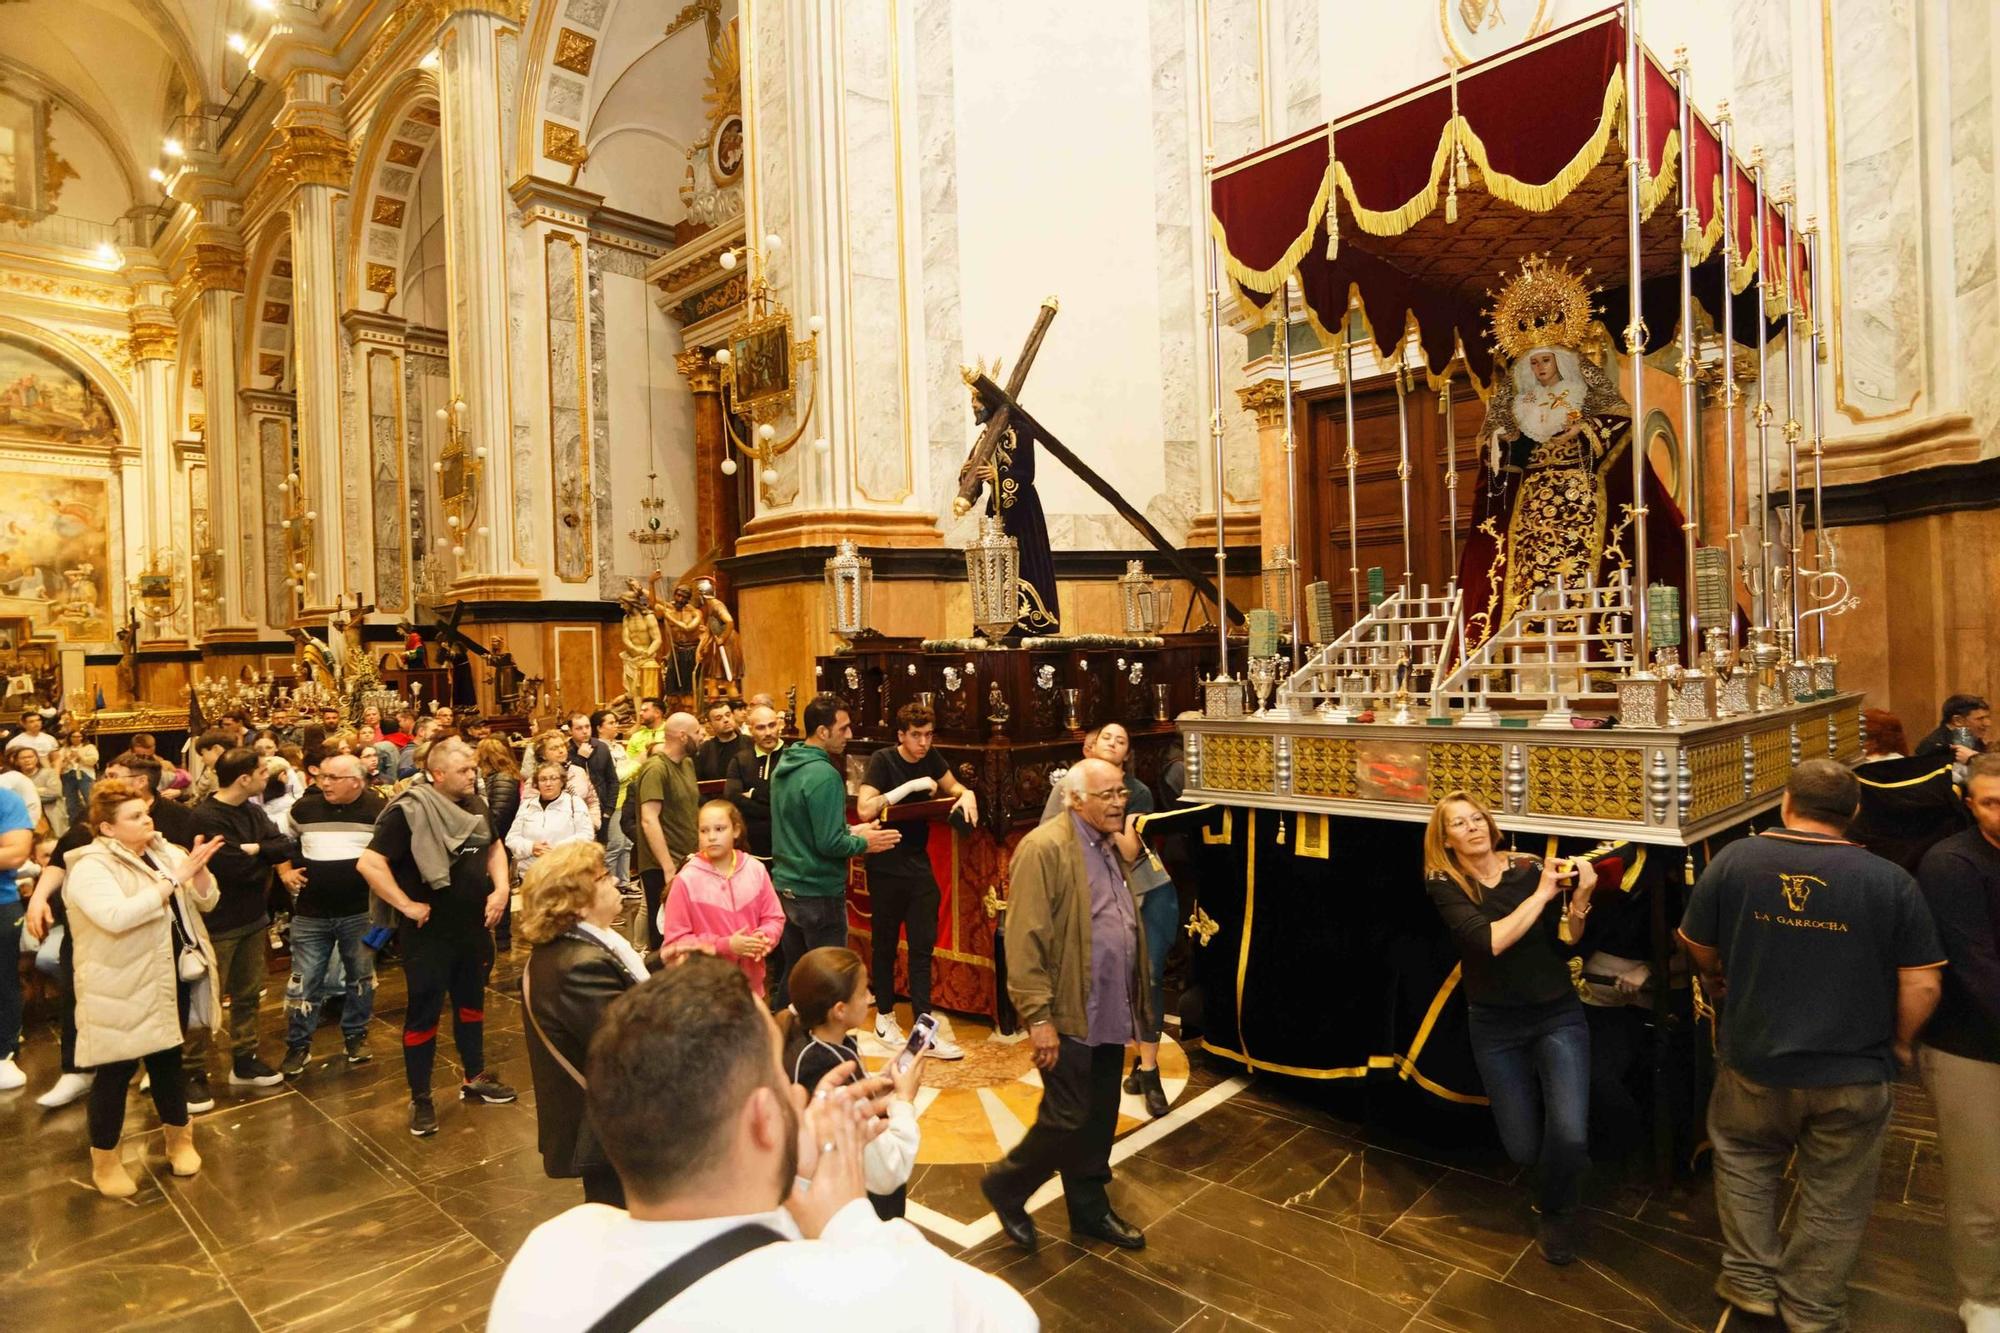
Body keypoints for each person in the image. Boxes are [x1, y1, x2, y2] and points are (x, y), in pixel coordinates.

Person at [489, 958, 1034, 1332]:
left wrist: (789, 1183)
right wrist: (846, 1216)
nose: (797, 1091)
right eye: (779, 1078)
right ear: (764, 1120)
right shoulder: (848, 1293)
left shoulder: (551, 1252)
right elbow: (1011, 1319)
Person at [1679, 759, 1946, 1329]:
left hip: (1754, 1057)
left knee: (1746, 1164)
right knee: (1836, 1195)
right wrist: (1900, 1044)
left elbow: (1694, 942)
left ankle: (1751, 1280)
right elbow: (1923, 981)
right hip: (1852, 1069)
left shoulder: (1736, 860)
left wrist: (1715, 973)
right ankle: (1811, 1306)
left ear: (1785, 803)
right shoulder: (1889, 880)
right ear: (1853, 813)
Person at [1423, 790, 1608, 1265]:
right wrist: (1545, 894)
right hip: (1495, 1024)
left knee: (1569, 1136)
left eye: (1478, 818)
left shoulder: (1528, 866)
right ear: (1445, 838)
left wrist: (1581, 898)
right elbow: (1491, 941)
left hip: (1557, 1014)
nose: (1474, 827)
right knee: (1523, 1146)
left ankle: (1556, 1208)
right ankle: (1560, 1171)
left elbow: (1568, 940)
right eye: (1460, 824)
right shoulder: (1445, 882)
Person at [982, 757, 1152, 1254]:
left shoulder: (1106, 843)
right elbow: (1025, 938)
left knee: (1100, 1112)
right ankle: (1007, 1186)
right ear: (1076, 799)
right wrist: (1038, 1018)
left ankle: (1089, 1209)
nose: (1120, 802)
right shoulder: (1043, 848)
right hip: (1068, 1010)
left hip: (1109, 1006)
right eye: (1109, 795)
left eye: (1122, 792)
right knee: (1068, 1114)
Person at [64, 780, 226, 1197]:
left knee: (169, 1063)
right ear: (107, 829)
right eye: (135, 816)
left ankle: (180, 1141)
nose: (148, 820)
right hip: (118, 983)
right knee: (115, 1071)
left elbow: (206, 902)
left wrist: (199, 870)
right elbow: (116, 916)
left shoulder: (165, 852)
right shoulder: (90, 866)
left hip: (169, 975)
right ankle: (106, 1160)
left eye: (146, 811)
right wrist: (175, 879)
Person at [357, 737, 518, 1137]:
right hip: (428, 935)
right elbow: (370, 864)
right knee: (425, 1012)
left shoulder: (477, 804)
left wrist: (500, 890)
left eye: (474, 769)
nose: (474, 775)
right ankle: (421, 1097)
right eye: (465, 770)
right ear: (438, 773)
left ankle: (474, 1076)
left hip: (473, 927)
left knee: (472, 1004)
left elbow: (495, 848)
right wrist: (407, 905)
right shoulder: (409, 811)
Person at [21, 752, 192, 1109]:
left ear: (140, 781)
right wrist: (39, 897)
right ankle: (78, 1070)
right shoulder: (98, 821)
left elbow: (190, 874)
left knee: (165, 1020)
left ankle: (156, 1072)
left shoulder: (174, 820)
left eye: (115, 773)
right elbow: (63, 857)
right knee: (86, 1003)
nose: (104, 779)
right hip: (100, 937)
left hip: (157, 938)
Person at [1040, 722, 1175, 1112]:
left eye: (1122, 740)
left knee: (1147, 980)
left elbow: (1131, 851)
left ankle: (1149, 1071)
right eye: (1107, 738)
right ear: (1089, 746)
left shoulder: (1138, 792)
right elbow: (1049, 838)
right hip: (1095, 899)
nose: (1114, 744)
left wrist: (1096, 809)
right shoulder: (1065, 787)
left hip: (1146, 893)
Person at [1916, 751, 2000, 1332]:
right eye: (1992, 802)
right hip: (1969, 1045)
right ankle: (1983, 1301)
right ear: (1969, 805)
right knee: (1984, 1189)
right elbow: (1977, 969)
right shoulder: (1952, 864)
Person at [518, 840, 649, 1207]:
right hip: (613, 1130)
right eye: (605, 877)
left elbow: (624, 987)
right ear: (578, 900)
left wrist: (660, 964)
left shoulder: (579, 947)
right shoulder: (577, 965)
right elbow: (633, 1046)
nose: (615, 883)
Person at [856, 703, 974, 1060]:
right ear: (901, 736)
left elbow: (954, 787)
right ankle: (885, 1018)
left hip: (917, 862)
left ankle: (924, 1030)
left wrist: (965, 793)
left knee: (922, 946)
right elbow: (865, 809)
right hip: (885, 861)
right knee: (886, 944)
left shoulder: (932, 757)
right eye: (916, 736)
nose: (923, 743)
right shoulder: (883, 759)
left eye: (928, 735)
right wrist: (907, 787)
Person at [769, 694, 898, 1010]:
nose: (850, 735)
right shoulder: (824, 775)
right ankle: (822, 1049)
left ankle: (778, 1038)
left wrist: (852, 831)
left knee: (796, 973)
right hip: (818, 891)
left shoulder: (785, 765)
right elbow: (829, 844)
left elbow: (803, 829)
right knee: (828, 983)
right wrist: (864, 842)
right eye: (843, 728)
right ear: (823, 732)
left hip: (787, 887)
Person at [775, 946, 922, 1219]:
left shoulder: (809, 1042)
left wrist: (878, 1084)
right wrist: (904, 1100)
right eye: (863, 991)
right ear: (840, 1010)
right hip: (852, 1211)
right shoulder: (827, 1071)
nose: (870, 997)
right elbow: (889, 1171)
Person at [278, 752, 385, 1076]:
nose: (323, 783)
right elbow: (280, 840)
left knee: (360, 977)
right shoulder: (304, 809)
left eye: (332, 778)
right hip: (312, 912)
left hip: (360, 912)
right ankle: (298, 1046)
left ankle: (355, 1036)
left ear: (355, 781)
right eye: (320, 776)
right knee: (304, 981)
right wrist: (284, 871)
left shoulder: (378, 810)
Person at [659, 799, 784, 997]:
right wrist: (725, 945)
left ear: (736, 831)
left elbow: (774, 917)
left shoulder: (755, 869)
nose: (711, 837)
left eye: (719, 829)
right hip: (705, 992)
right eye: (704, 831)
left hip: (751, 988)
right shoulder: (686, 880)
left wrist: (762, 938)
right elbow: (674, 944)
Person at [632, 711, 701, 949]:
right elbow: (649, 820)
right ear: (683, 736)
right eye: (697, 732)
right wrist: (668, 867)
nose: (702, 736)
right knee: (664, 935)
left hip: (687, 859)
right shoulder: (656, 769)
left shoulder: (688, 764)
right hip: (662, 865)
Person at [507, 763, 598, 880]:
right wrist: (531, 847)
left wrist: (556, 849)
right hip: (531, 876)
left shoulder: (574, 803)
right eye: (543, 779)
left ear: (562, 782)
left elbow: (586, 835)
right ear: (536, 784)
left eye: (553, 778)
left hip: (565, 875)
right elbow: (511, 838)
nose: (548, 784)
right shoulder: (527, 805)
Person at [723, 702, 787, 862]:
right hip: (750, 847)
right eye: (760, 727)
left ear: (779, 725)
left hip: (787, 845)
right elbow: (732, 797)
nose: (768, 733)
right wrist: (773, 808)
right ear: (750, 730)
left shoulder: (792, 756)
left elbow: (791, 799)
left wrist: (753, 794)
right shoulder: (741, 759)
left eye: (772, 725)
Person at [0, 782, 33, 1091]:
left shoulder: (5, 799)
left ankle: (3, 1052)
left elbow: (14, 855)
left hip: (1, 903)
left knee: (3, 980)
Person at [569, 711, 618, 843]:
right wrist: (580, 758)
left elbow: (612, 780)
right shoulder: (566, 751)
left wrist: (609, 810)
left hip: (602, 809)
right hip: (575, 811)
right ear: (570, 731)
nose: (584, 731)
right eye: (579, 728)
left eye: (587, 727)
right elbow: (570, 780)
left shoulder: (601, 747)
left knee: (602, 850)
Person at [536, 729, 600, 827]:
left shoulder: (578, 771)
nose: (561, 751)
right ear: (543, 755)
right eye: (554, 748)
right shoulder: (538, 778)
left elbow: (592, 800)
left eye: (562, 746)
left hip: (582, 831)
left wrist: (593, 822)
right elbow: (531, 811)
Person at [1915, 694, 1991, 765]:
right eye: (1980, 719)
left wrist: (1974, 759)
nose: (1988, 724)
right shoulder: (1934, 748)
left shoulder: (1974, 739)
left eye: (1987, 718)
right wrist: (1974, 760)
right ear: (1957, 720)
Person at [695, 698, 752, 783]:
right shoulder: (705, 749)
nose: (725, 720)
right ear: (711, 724)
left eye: (728, 715)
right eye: (719, 718)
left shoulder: (750, 743)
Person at [625, 695, 666, 765]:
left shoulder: (671, 732)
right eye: (640, 710)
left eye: (645, 710)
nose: (640, 713)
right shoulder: (636, 736)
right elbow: (628, 764)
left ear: (657, 713)